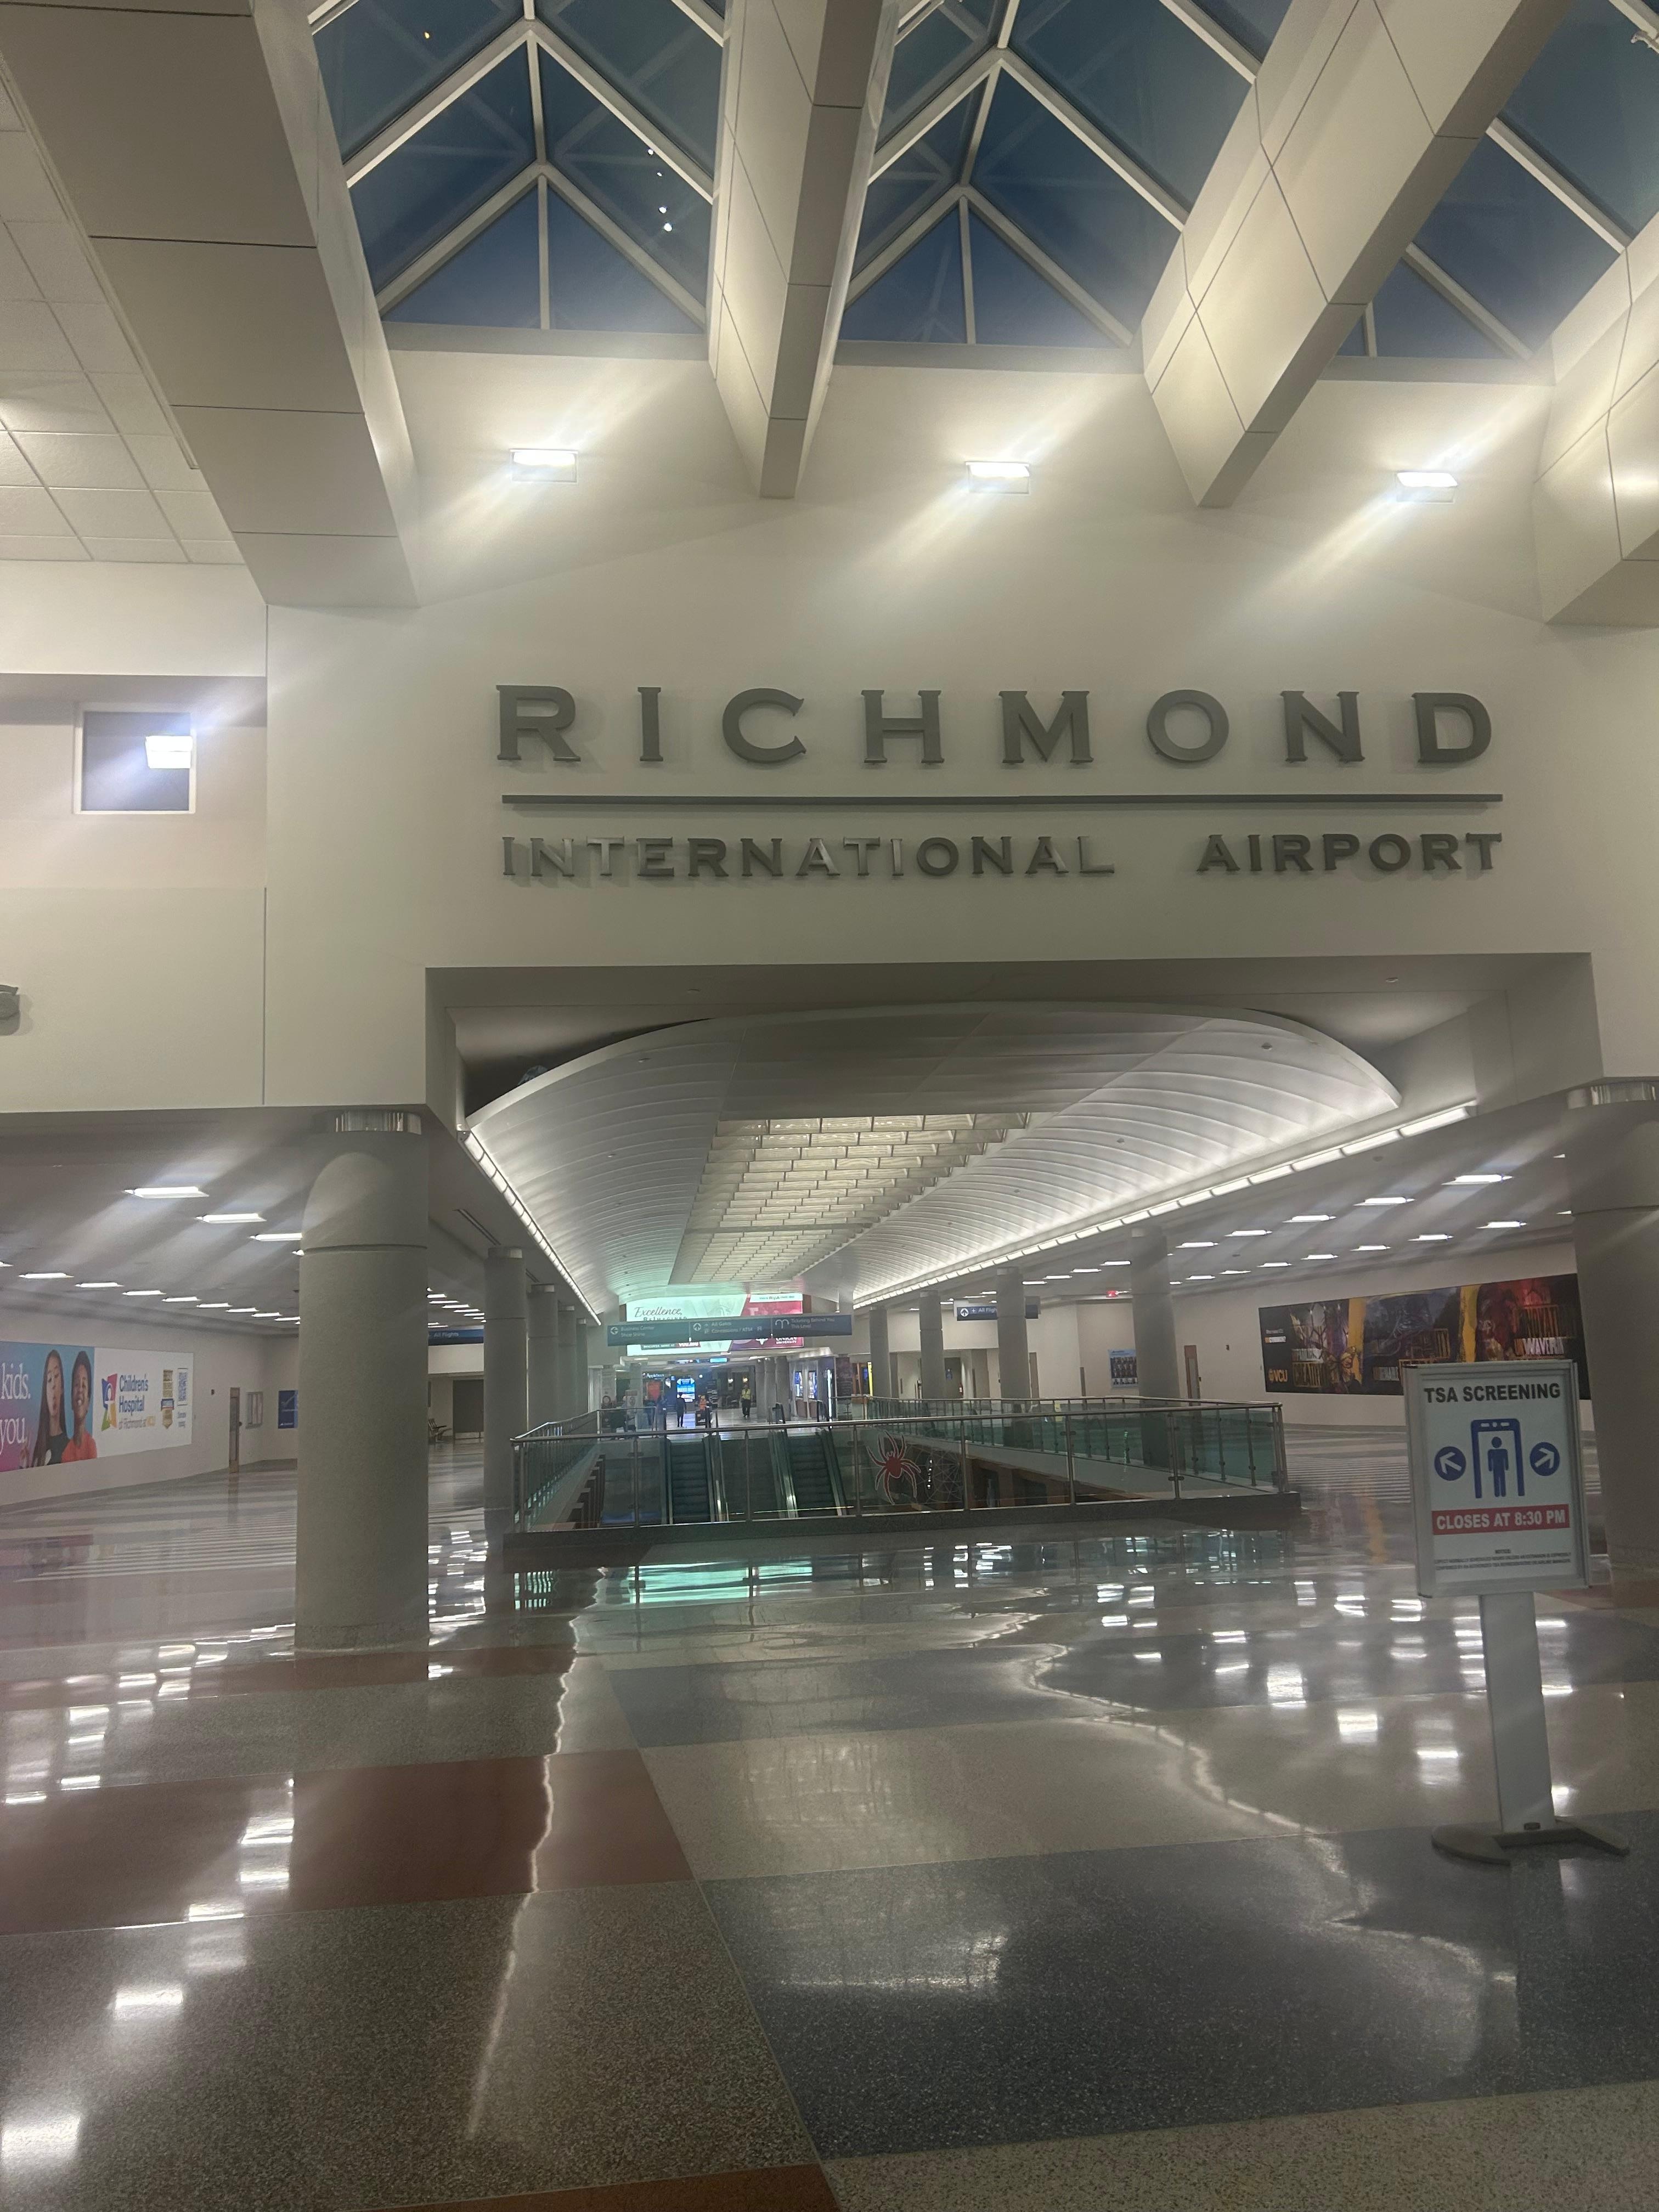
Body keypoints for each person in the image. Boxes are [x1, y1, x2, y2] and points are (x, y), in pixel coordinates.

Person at [30, 1347, 68, 1465]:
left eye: (57, 1377)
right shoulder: (39, 1447)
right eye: (49, 1379)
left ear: (62, 1388)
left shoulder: (68, 1447)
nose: (53, 1386)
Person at [61, 1351, 98, 1462]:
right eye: (77, 1384)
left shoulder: (91, 1445)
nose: (80, 1390)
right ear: (71, 1400)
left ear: (89, 1402)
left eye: (84, 1385)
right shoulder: (66, 1451)